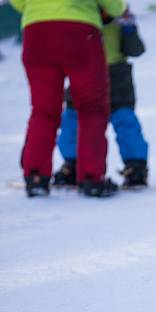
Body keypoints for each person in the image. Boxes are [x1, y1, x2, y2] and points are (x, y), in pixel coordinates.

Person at [10, 0, 125, 197]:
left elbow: (17, 3)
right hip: (80, 32)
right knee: (92, 108)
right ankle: (91, 177)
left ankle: (36, 176)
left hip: (36, 33)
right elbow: (114, 6)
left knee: (43, 109)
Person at [52, 7, 149, 189]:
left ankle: (136, 166)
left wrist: (129, 28)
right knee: (71, 123)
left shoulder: (119, 14)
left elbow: (136, 50)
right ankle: (73, 164)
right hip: (83, 76)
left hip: (116, 80)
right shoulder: (78, 14)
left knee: (126, 123)